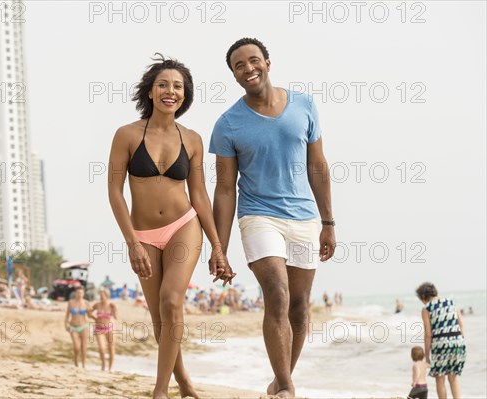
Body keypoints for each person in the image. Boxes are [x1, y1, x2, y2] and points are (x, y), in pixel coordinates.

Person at [210, 37, 336, 398]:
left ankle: (281, 379)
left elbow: (318, 165)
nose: (248, 69)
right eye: (239, 65)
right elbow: (224, 188)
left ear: (267, 62)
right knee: (277, 296)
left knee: (299, 307)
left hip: (304, 218)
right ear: (234, 75)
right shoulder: (228, 124)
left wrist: (328, 222)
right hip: (258, 216)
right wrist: (219, 247)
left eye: (253, 61)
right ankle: (286, 388)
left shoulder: (304, 105)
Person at [108, 54, 235, 399]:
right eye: (163, 84)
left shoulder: (191, 139)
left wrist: (218, 247)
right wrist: (132, 242)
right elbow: (115, 194)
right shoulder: (126, 135)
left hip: (184, 224)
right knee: (158, 315)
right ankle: (184, 383)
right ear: (150, 92)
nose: (170, 91)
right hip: (143, 233)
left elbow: (200, 196)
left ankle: (159, 391)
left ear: (185, 94)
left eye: (177, 86)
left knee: (171, 301)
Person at [416, 282, 466, 399]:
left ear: (423, 297)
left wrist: (427, 355)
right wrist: (461, 342)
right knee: (453, 378)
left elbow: (428, 334)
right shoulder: (452, 302)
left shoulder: (426, 308)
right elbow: (461, 324)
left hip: (440, 344)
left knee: (440, 378)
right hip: (458, 341)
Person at [64, 285, 92, 368]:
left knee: (84, 347)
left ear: (83, 293)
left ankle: (83, 365)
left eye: (81, 292)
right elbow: (67, 315)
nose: (80, 294)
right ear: (75, 293)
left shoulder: (86, 303)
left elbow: (90, 315)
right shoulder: (71, 302)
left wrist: (94, 315)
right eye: (78, 292)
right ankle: (76, 360)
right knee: (76, 347)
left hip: (84, 326)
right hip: (73, 327)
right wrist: (66, 325)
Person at [92, 289, 118, 371]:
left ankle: (110, 368)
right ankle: (103, 364)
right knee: (101, 348)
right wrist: (94, 318)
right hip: (98, 329)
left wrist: (115, 308)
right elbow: (89, 312)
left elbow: (116, 317)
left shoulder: (111, 305)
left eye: (102, 297)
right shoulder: (97, 305)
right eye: (100, 297)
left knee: (111, 348)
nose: (101, 298)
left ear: (107, 296)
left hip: (109, 328)